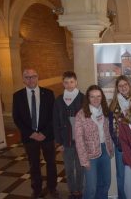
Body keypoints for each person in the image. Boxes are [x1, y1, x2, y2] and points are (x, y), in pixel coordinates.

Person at [12, 68, 58, 199]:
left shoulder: (48, 93)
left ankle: (52, 187)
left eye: (33, 76)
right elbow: (17, 118)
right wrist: (30, 133)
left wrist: (44, 132)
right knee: (34, 164)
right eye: (27, 77)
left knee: (51, 163)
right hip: (29, 137)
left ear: (38, 77)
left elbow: (53, 116)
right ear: (23, 79)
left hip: (47, 136)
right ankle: (36, 189)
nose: (31, 79)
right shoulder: (17, 95)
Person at [74, 85, 113, 199]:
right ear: (88, 98)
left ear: (102, 97)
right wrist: (84, 160)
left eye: (98, 96)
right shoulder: (81, 115)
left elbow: (109, 132)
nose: (96, 99)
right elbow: (79, 139)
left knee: (105, 183)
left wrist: (110, 149)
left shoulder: (106, 111)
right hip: (90, 155)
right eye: (92, 97)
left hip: (105, 151)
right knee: (91, 187)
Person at [53, 71, 84, 199]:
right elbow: (55, 121)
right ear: (62, 83)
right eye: (66, 82)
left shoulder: (83, 98)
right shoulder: (59, 100)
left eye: (72, 82)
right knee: (69, 168)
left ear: (76, 82)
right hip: (66, 141)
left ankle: (80, 189)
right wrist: (59, 143)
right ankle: (72, 190)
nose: (69, 85)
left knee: (80, 167)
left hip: (80, 140)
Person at [108, 75, 131, 199]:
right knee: (121, 175)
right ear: (117, 88)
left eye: (125, 85)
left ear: (129, 85)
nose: (123, 87)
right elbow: (111, 127)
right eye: (120, 86)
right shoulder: (113, 105)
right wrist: (118, 143)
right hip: (121, 147)